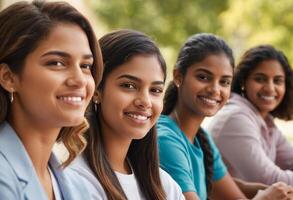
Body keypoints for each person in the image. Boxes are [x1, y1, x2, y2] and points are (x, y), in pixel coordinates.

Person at [157, 33, 293, 200]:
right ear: (178, 76)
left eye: (224, 82)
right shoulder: (166, 139)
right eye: (203, 77)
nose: (215, 89)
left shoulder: (202, 139)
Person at [0, 1, 103, 199]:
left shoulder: (79, 187)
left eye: (85, 65)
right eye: (56, 63)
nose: (79, 80)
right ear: (8, 77)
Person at [70, 29, 184, 200]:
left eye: (155, 90)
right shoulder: (74, 180)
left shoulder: (166, 187)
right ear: (96, 90)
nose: (145, 101)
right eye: (129, 85)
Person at [207, 45, 293, 186]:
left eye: (277, 81)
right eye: (260, 79)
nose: (270, 88)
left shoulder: (265, 120)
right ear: (243, 82)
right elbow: (270, 179)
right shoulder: (236, 118)